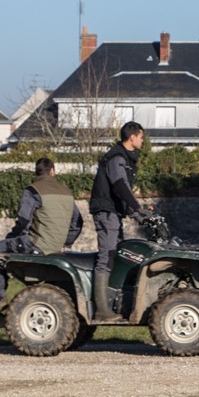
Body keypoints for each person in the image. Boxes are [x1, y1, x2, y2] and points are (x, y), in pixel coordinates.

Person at [0, 156, 83, 318]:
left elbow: (24, 220)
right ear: (53, 171)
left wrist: (12, 237)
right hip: (58, 247)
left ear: (37, 172)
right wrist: (65, 243)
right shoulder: (66, 192)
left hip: (36, 244)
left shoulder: (33, 190)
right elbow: (77, 222)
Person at [89, 121, 149, 314]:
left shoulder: (126, 159)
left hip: (114, 212)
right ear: (132, 137)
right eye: (141, 137)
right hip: (106, 212)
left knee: (118, 254)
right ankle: (101, 309)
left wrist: (139, 215)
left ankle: (116, 302)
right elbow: (120, 186)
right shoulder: (116, 157)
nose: (142, 141)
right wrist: (138, 208)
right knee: (107, 256)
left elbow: (122, 195)